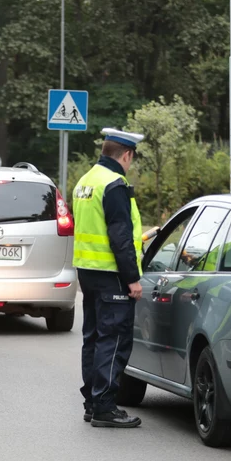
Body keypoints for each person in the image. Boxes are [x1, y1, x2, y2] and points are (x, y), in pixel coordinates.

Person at [72, 128, 146, 428]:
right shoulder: (114, 184)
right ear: (126, 155)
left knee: (93, 338)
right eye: (132, 160)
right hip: (112, 275)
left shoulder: (85, 181)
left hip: (88, 272)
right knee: (113, 340)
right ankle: (104, 406)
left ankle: (92, 402)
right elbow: (120, 236)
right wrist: (132, 278)